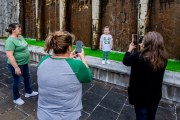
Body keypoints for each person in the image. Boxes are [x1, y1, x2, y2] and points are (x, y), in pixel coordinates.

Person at [37, 31, 92, 120]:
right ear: (69, 48)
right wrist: (82, 57)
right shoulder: (77, 66)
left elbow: (57, 67)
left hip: (43, 114)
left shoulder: (43, 60)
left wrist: (68, 58)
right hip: (68, 117)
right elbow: (88, 77)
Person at [123, 31, 167, 120]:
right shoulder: (164, 58)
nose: (140, 43)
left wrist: (129, 49)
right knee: (151, 116)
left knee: (141, 116)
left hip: (140, 97)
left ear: (147, 44)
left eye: (143, 41)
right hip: (155, 96)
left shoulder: (138, 57)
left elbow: (126, 61)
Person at [5, 23, 38, 105]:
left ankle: (29, 92)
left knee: (27, 77)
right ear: (13, 30)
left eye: (20, 27)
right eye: (18, 28)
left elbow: (24, 46)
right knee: (17, 81)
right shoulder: (10, 41)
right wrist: (16, 68)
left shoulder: (20, 36)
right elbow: (9, 55)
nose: (20, 29)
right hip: (16, 65)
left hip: (24, 63)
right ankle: (16, 98)